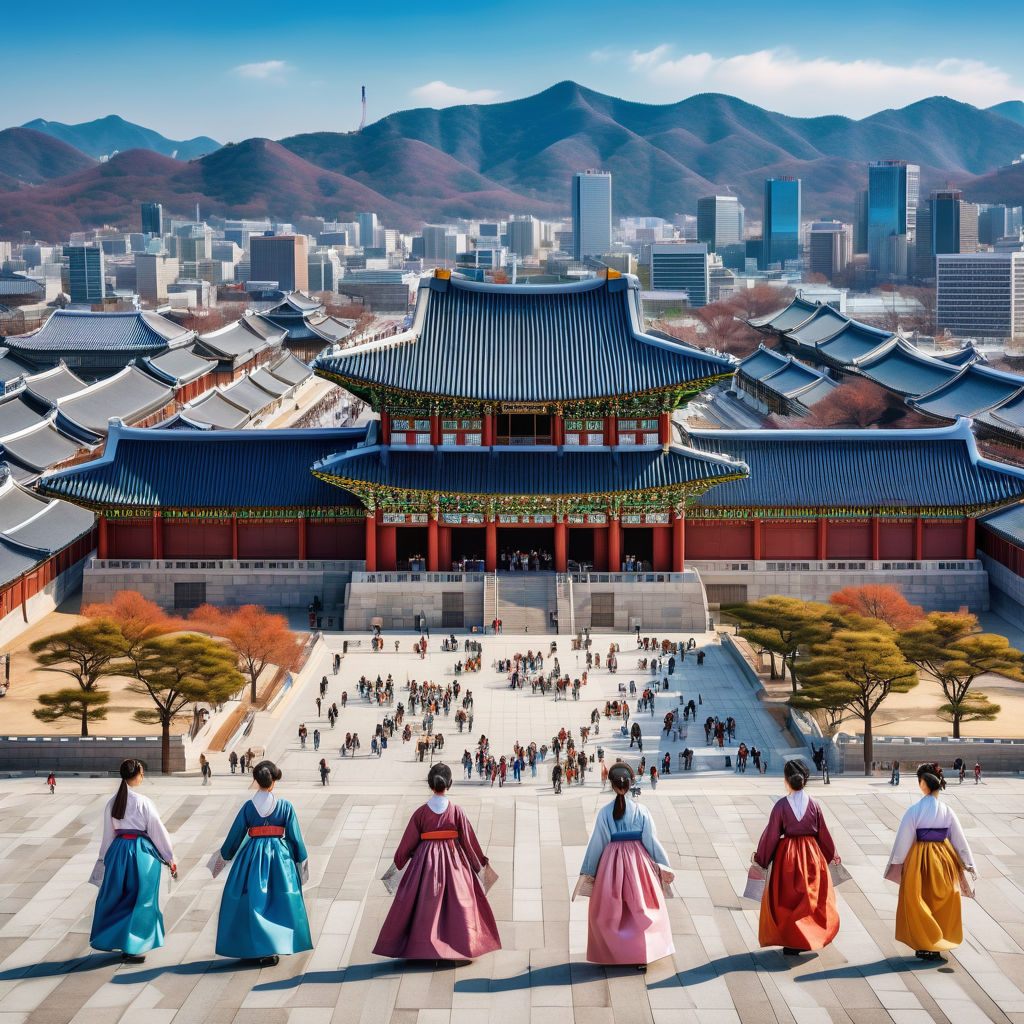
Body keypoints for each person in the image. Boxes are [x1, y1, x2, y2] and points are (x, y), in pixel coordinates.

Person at [373, 763, 501, 961]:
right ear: (450, 783)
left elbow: (407, 843)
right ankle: (459, 944)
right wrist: (480, 867)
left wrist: (398, 864)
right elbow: (469, 843)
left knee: (425, 904)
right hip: (454, 861)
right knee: (459, 903)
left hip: (425, 863)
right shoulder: (456, 811)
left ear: (429, 783)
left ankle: (423, 946)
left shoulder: (421, 813)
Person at [212, 760, 312, 966]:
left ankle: (249, 946)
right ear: (273, 781)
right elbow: (295, 839)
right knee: (278, 902)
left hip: (251, 856)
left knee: (250, 901)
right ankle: (271, 945)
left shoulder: (248, 808)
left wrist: (223, 857)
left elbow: (235, 836)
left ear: (256, 780)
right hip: (279, 859)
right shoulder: (285, 806)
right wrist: (300, 861)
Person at [576, 762, 674, 971]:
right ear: (630, 784)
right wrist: (664, 865)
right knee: (641, 906)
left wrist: (588, 872)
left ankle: (615, 953)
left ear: (612, 785)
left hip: (612, 864)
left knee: (610, 910)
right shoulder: (641, 811)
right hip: (639, 863)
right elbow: (651, 841)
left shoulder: (605, 813)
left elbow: (597, 844)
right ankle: (642, 953)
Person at [884, 763, 976, 961]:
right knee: (942, 902)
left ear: (922, 784)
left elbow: (903, 839)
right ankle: (937, 943)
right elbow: (959, 839)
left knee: (918, 900)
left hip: (919, 859)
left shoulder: (914, 811)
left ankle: (923, 943)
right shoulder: (947, 810)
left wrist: (897, 862)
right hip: (943, 858)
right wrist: (968, 863)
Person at [89, 758, 176, 963]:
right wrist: (169, 857)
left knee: (119, 898)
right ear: (135, 776)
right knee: (141, 898)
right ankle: (134, 944)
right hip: (141, 853)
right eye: (141, 773)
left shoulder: (113, 802)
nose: (143, 777)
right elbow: (156, 831)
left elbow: (108, 835)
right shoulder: (143, 802)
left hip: (118, 851)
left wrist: (103, 859)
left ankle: (118, 939)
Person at [753, 760, 840, 956]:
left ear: (786, 779)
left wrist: (761, 859)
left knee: (788, 900)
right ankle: (809, 936)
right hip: (811, 854)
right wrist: (831, 855)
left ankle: (792, 939)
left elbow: (772, 834)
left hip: (788, 856)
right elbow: (823, 834)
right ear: (804, 779)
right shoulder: (814, 805)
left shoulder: (781, 806)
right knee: (811, 898)